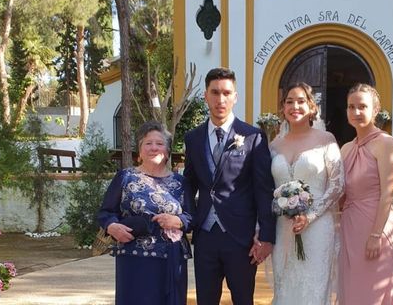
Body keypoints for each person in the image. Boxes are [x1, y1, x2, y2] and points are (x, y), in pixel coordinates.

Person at [183, 67, 276, 305]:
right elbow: (189, 182)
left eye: (226, 93)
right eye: (215, 92)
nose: (220, 99)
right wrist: (188, 220)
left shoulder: (253, 137)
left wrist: (265, 235)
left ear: (235, 96)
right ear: (206, 96)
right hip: (205, 236)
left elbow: (263, 189)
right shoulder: (193, 138)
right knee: (206, 300)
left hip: (241, 237)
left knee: (243, 300)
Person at [97, 121, 191, 305]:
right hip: (133, 259)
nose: (154, 148)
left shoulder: (181, 182)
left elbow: (192, 216)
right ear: (139, 151)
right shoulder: (125, 177)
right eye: (148, 143)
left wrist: (178, 221)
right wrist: (112, 226)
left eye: (159, 143)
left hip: (171, 259)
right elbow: (106, 212)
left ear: (167, 150)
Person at [269, 82, 344, 305]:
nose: (295, 106)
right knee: (285, 287)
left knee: (313, 288)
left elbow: (338, 185)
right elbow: (267, 188)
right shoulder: (274, 145)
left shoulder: (326, 140)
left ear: (311, 107)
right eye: (289, 102)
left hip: (317, 227)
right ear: (282, 108)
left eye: (301, 101)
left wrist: (310, 216)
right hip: (283, 227)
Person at [339, 83, 393, 305]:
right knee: (352, 290)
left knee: (373, 292)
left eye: (362, 106)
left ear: (375, 110)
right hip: (350, 225)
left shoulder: (385, 143)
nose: (356, 112)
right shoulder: (345, 149)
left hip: (376, 225)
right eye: (351, 106)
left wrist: (376, 235)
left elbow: (388, 193)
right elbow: (340, 192)